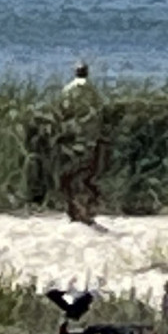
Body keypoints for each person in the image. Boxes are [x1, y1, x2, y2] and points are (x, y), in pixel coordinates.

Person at [57, 60, 109, 227]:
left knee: (71, 174)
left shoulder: (68, 89)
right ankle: (84, 211)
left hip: (72, 136)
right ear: (86, 72)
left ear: (75, 72)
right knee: (87, 173)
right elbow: (99, 110)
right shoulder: (92, 89)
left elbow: (64, 111)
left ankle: (74, 211)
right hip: (90, 137)